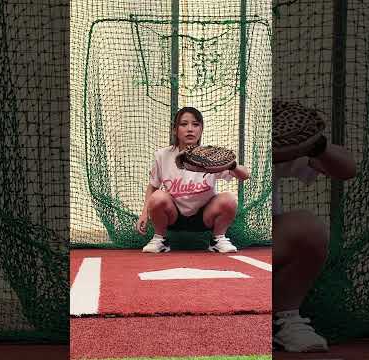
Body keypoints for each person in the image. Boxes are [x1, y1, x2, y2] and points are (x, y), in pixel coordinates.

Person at [272, 135, 357, 352]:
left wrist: (316, 143)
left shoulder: (271, 139)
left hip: (262, 248)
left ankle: (286, 319)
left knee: (308, 228)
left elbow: (347, 169)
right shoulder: (182, 156)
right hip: (208, 253)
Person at [136, 107, 250, 253]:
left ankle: (217, 239)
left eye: (195, 124)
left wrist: (232, 165)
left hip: (204, 216)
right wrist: (144, 213)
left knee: (229, 199)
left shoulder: (210, 156)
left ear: (201, 129)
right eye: (184, 124)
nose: (190, 129)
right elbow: (152, 187)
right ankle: (160, 239)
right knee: (158, 197)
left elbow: (245, 175)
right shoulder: (162, 155)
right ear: (175, 130)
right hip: (173, 216)